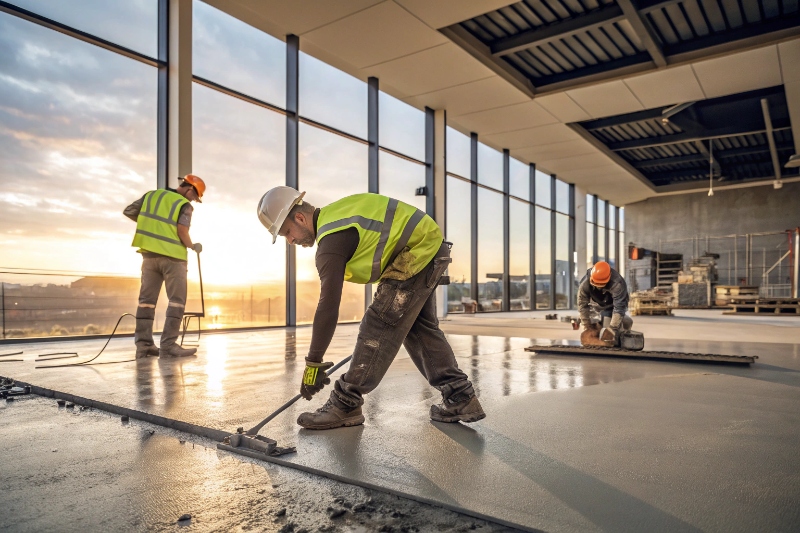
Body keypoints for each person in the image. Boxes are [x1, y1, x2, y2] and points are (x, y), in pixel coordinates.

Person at [257, 187, 484, 430]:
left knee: (378, 324)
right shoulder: (337, 216)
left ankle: (345, 404)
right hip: (427, 247)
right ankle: (461, 398)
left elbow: (328, 306)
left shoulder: (331, 240)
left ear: (300, 218)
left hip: (416, 252)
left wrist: (313, 362)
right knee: (419, 330)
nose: (290, 241)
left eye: (287, 232)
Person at [124, 175, 205, 359]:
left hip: (149, 256)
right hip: (173, 258)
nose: (193, 200)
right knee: (177, 301)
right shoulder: (184, 205)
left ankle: (143, 346)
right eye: (194, 196)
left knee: (146, 302)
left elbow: (129, 211)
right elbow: (182, 230)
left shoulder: (151, 195)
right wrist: (192, 246)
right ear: (189, 189)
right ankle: (168, 346)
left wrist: (152, 225)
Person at [577, 261, 633, 341]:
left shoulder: (617, 284)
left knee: (610, 332)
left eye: (601, 284)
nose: (599, 286)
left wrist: (612, 328)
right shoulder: (585, 283)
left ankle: (626, 323)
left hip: (612, 305)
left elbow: (619, 308)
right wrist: (586, 325)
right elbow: (582, 305)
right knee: (593, 326)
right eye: (596, 284)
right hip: (596, 304)